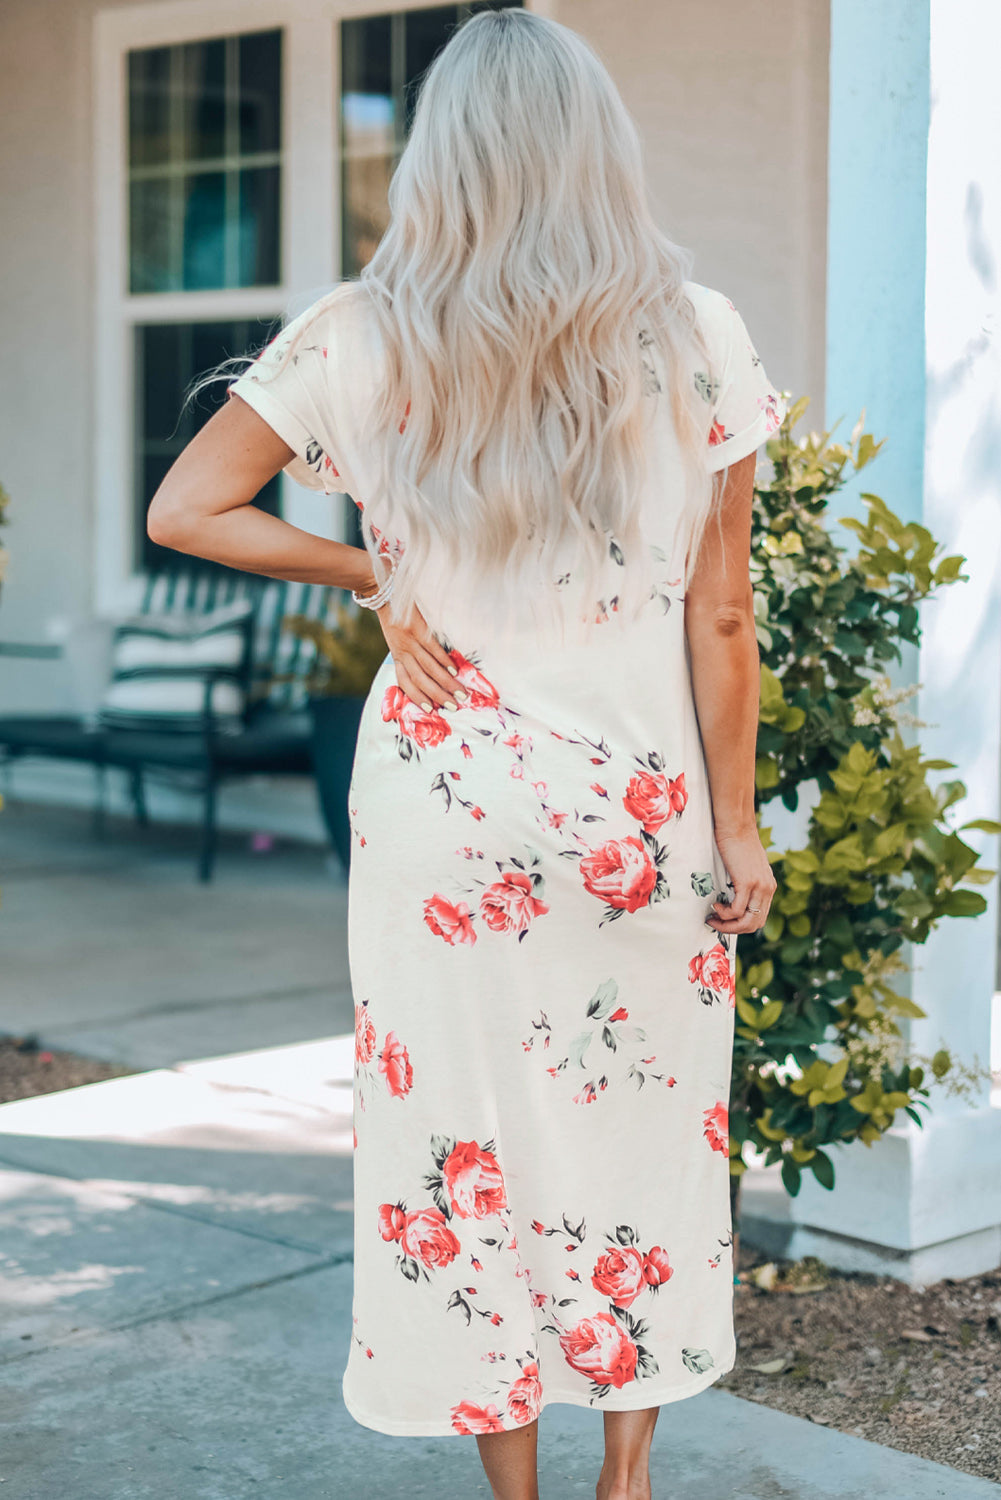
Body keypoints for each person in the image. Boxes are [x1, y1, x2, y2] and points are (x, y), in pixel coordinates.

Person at [147, 9, 782, 1498]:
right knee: (641, 1134)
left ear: (441, 154)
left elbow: (187, 509)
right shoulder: (696, 333)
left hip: (445, 812)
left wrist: (376, 574)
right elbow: (723, 614)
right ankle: (627, 1479)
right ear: (596, 149)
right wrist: (737, 825)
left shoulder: (360, 332)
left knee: (462, 1146)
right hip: (637, 807)